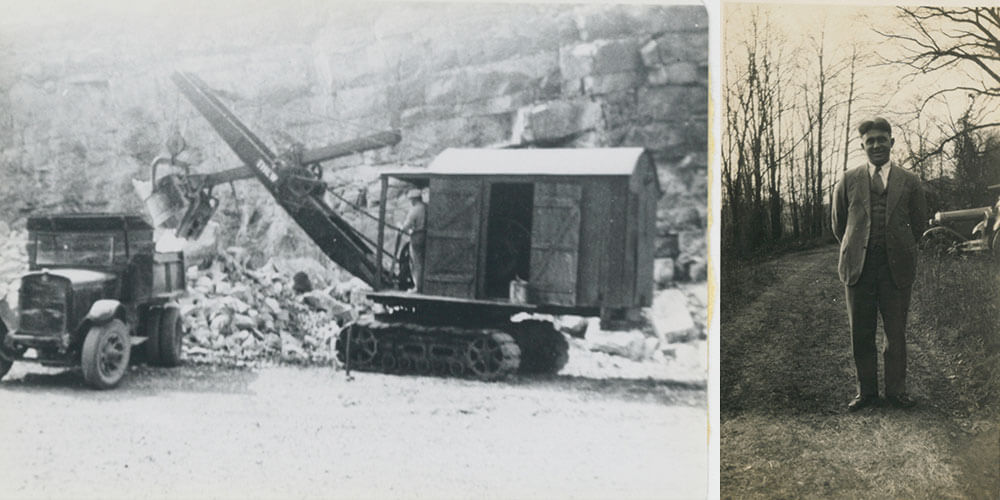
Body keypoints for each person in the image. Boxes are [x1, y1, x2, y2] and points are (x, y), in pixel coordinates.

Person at [832, 117, 928, 412]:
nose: (876, 145)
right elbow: (838, 224)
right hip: (858, 267)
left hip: (895, 269)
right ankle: (867, 393)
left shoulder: (910, 181)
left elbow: (920, 222)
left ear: (892, 143)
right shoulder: (848, 179)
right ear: (862, 145)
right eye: (870, 140)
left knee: (895, 332)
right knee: (860, 332)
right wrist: (858, 247)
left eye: (881, 139)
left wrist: (899, 247)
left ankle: (896, 392)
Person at [400, 188, 426, 293]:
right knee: (424, 262)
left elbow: (406, 226)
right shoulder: (426, 207)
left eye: (411, 200)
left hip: (417, 236)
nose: (411, 202)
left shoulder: (415, 210)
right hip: (426, 236)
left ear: (414, 199)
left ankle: (418, 287)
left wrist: (401, 227)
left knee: (416, 262)